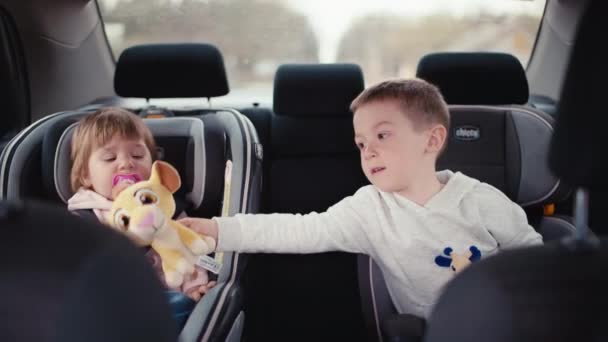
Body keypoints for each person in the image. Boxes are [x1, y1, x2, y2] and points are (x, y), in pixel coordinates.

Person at [179, 78, 542, 318]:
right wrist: (216, 229)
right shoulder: (368, 208)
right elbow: (300, 230)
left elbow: (535, 261)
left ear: (431, 141)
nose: (368, 152)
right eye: (361, 143)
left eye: (383, 136)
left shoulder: (481, 200)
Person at [66, 107, 215, 328]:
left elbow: (186, 254)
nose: (126, 163)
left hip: (162, 302)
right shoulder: (83, 219)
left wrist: (195, 288)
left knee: (179, 306)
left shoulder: (169, 210)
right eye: (109, 157)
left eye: (137, 155)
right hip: (106, 306)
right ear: (85, 175)